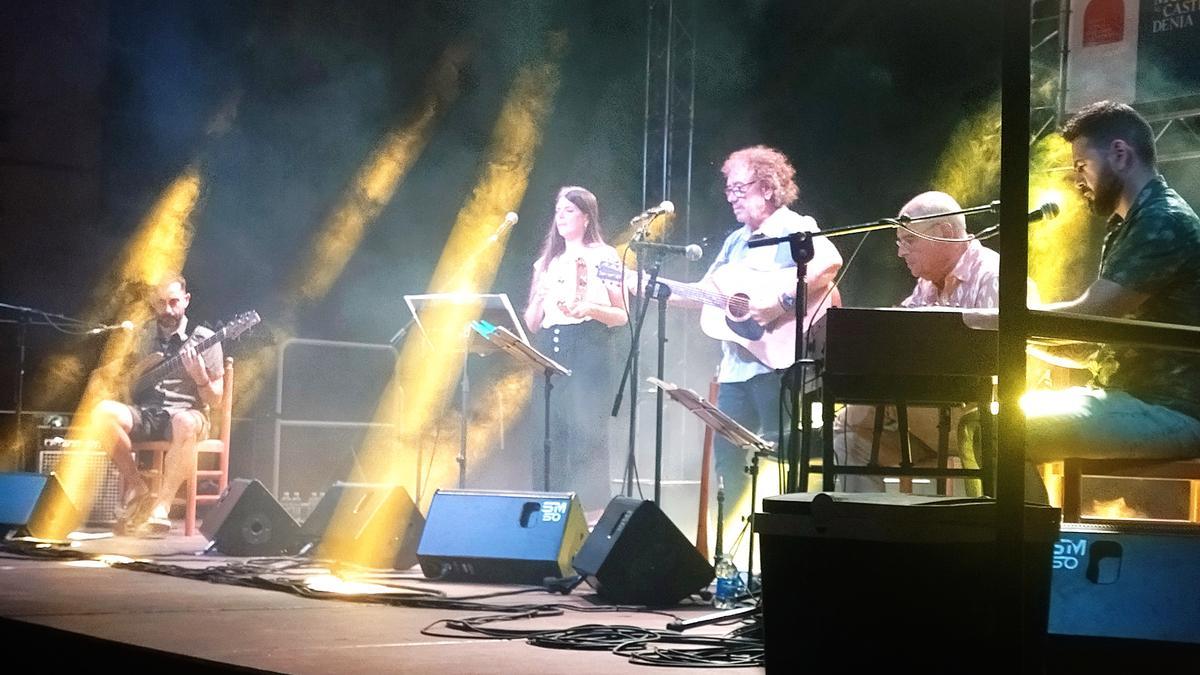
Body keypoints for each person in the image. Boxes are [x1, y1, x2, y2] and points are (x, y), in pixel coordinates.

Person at [644, 146, 842, 515]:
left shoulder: (791, 225)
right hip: (736, 370)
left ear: (767, 188)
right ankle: (730, 556)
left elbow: (830, 261)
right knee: (728, 462)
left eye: (739, 188)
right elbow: (706, 295)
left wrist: (780, 302)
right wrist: (648, 286)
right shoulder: (736, 240)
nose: (731, 197)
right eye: (729, 190)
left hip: (776, 367)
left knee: (781, 459)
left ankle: (782, 546)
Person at [1021, 100, 1200, 499]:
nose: (1076, 179)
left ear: (1120, 154)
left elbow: (1092, 315)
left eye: (1082, 166)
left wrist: (1005, 321)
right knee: (984, 422)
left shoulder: (1163, 219)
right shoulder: (1130, 224)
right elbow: (1089, 343)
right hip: (1135, 400)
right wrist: (1012, 331)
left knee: (1000, 430)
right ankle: (1020, 548)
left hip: (1172, 409)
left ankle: (1024, 556)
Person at [834, 191, 1000, 493]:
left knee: (858, 410)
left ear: (945, 233)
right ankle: (862, 534)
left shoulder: (993, 274)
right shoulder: (926, 284)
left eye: (908, 240)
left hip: (982, 419)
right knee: (846, 434)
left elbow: (1005, 361)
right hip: (929, 418)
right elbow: (899, 329)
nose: (900, 252)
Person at [92, 276, 224, 536]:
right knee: (101, 413)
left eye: (174, 302)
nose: (167, 310)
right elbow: (124, 377)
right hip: (147, 413)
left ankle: (161, 507)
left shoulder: (205, 339)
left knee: (183, 422)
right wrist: (126, 379)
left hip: (188, 414)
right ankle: (138, 488)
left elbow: (216, 400)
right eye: (161, 303)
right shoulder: (142, 336)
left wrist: (200, 377)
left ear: (186, 301)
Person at [523, 186, 628, 511]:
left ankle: (591, 511)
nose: (561, 217)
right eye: (558, 211)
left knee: (586, 433)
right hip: (550, 348)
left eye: (569, 210)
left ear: (586, 217)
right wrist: (539, 296)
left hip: (588, 347)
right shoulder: (546, 262)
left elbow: (622, 315)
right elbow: (531, 322)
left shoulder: (605, 256)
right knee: (549, 432)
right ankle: (548, 508)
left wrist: (590, 309)